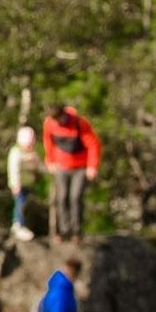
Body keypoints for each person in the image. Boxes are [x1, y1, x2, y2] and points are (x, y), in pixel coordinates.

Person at [43, 102, 101, 239]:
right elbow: (48, 142)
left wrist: (92, 166)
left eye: (60, 119)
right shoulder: (50, 123)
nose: (58, 122)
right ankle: (64, 231)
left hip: (80, 167)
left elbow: (93, 145)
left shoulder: (79, 123)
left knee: (75, 197)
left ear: (64, 114)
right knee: (62, 197)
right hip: (61, 166)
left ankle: (77, 231)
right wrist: (50, 160)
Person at [7, 125, 41, 241]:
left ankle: (24, 224)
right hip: (19, 185)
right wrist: (15, 184)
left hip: (28, 184)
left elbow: (38, 166)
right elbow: (14, 169)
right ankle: (18, 225)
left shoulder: (32, 154)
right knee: (20, 204)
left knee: (26, 205)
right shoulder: (16, 152)